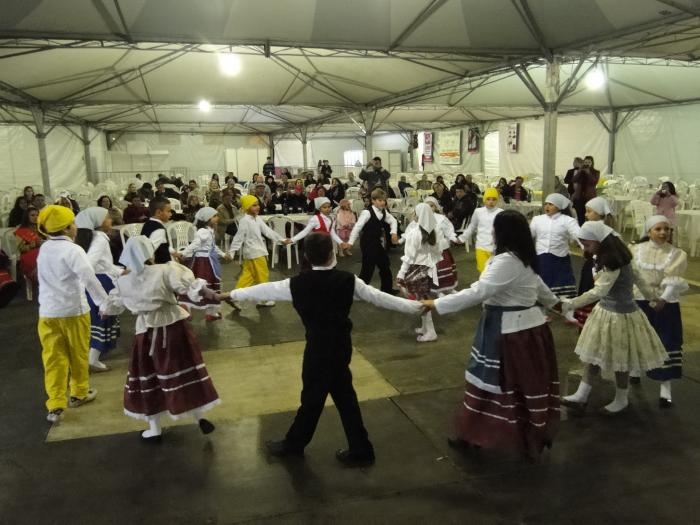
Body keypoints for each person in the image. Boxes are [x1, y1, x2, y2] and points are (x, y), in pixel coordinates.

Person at [218, 233, 422, 466]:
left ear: (306, 256)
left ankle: (299, 444)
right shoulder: (349, 280)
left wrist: (228, 294)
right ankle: (358, 448)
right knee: (343, 397)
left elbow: (261, 290)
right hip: (341, 346)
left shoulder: (295, 284)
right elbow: (381, 298)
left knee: (314, 398)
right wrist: (416, 307)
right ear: (332, 254)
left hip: (317, 348)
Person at [421, 210, 561, 456]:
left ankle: (477, 434)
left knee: (493, 383)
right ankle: (526, 436)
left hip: (508, 333)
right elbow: (543, 291)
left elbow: (479, 291)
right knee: (520, 385)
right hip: (526, 332)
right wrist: (564, 307)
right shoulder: (523, 259)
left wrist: (437, 304)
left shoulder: (507, 261)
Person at [99, 236, 220, 442]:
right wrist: (210, 292)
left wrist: (104, 310)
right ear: (149, 253)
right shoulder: (166, 270)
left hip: (145, 333)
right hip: (174, 327)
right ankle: (199, 417)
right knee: (184, 371)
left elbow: (112, 306)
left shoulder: (124, 281)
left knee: (149, 376)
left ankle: (154, 429)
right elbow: (190, 288)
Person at [561, 221, 667, 415]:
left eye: (587, 243)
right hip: (605, 314)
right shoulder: (615, 256)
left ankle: (621, 398)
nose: (585, 248)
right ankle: (582, 394)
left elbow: (599, 291)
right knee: (592, 356)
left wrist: (571, 303)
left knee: (621, 359)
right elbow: (639, 279)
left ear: (599, 241)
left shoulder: (613, 262)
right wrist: (653, 298)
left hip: (621, 317)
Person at [36, 205, 108, 423]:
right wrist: (103, 302)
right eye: (73, 223)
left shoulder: (45, 248)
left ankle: (55, 404)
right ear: (67, 228)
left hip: (48, 313)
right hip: (74, 312)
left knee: (53, 359)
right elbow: (88, 278)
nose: (76, 227)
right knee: (77, 354)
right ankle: (78, 393)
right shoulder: (74, 250)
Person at [631, 216, 688, 407]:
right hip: (640, 299)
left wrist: (663, 298)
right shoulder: (635, 250)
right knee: (639, 337)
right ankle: (635, 370)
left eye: (667, 229)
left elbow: (673, 278)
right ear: (649, 231)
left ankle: (665, 389)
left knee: (666, 342)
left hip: (666, 303)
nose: (663, 232)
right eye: (658, 229)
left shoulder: (677, 254)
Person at [75, 207, 124, 373]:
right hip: (101, 283)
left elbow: (104, 264)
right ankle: (92, 360)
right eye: (108, 218)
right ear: (98, 222)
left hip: (98, 280)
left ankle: (92, 357)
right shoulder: (100, 239)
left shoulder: (89, 238)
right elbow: (90, 264)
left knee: (99, 319)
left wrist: (119, 271)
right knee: (102, 319)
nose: (111, 221)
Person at [227, 195, 289, 308]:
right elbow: (238, 237)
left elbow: (268, 231)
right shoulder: (245, 221)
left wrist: (282, 240)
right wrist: (232, 252)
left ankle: (234, 297)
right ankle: (263, 300)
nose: (258, 207)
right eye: (254, 205)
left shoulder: (257, 218)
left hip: (252, 254)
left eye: (258, 205)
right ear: (247, 207)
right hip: (256, 253)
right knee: (262, 276)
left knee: (247, 277)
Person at [396, 204, 444, 342]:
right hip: (429, 269)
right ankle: (425, 327)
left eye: (414, 213)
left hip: (416, 269)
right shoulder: (435, 232)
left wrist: (401, 274)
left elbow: (408, 257)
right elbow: (438, 252)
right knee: (424, 298)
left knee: (422, 301)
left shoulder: (414, 233)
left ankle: (431, 331)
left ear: (418, 216)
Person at [342, 188, 399, 295]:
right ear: (373, 200)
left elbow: (393, 221)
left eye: (384, 200)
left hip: (376, 242)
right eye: (380, 200)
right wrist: (350, 242)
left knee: (385, 264)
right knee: (368, 269)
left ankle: (386, 289)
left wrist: (394, 233)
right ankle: (356, 291)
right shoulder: (367, 213)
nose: (383, 202)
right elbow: (357, 227)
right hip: (367, 243)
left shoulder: (384, 212)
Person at [180, 207, 230, 321]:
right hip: (203, 262)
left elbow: (213, 247)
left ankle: (211, 312)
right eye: (215, 216)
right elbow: (195, 244)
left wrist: (222, 254)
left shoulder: (209, 230)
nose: (217, 217)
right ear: (207, 219)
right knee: (202, 284)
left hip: (209, 260)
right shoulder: (203, 231)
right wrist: (183, 253)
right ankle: (186, 308)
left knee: (210, 284)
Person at [571, 197, 615, 327]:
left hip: (596, 266)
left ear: (599, 213)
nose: (585, 214)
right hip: (595, 265)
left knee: (592, 293)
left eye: (589, 211)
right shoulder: (606, 227)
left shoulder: (595, 228)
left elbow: (588, 249)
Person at [529, 194, 580, 298]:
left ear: (559, 206)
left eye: (551, 204)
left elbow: (579, 236)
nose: (547, 207)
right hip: (541, 259)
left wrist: (590, 250)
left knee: (561, 292)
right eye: (546, 204)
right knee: (540, 288)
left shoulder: (568, 220)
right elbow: (527, 236)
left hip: (560, 260)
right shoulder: (537, 219)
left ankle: (561, 310)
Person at [458, 188, 502, 273]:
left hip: (496, 248)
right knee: (483, 272)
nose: (491, 202)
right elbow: (472, 226)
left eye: (494, 199)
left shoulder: (500, 212)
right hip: (481, 246)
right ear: (484, 199)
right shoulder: (478, 211)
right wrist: (463, 237)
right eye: (488, 199)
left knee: (495, 272)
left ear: (497, 200)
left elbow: (505, 231)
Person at [423, 197, 460, 296]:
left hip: (442, 249)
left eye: (432, 206)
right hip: (430, 250)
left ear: (435, 207)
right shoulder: (421, 220)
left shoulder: (441, 218)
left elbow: (448, 231)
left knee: (446, 269)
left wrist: (454, 238)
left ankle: (449, 288)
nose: (430, 208)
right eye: (427, 206)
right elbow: (413, 231)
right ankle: (439, 290)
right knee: (436, 271)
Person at [141, 197, 181, 264]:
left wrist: (174, 252)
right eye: (168, 211)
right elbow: (148, 251)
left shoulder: (147, 223)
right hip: (162, 266)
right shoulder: (159, 230)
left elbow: (162, 244)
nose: (171, 214)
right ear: (159, 212)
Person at [14, 206, 43, 284]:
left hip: (43, 252)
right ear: (27, 217)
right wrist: (30, 246)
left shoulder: (42, 228)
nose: (35, 217)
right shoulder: (22, 230)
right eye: (32, 215)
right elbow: (20, 248)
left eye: (37, 215)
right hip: (29, 256)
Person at [572, 159, 599, 226]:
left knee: (590, 215)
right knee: (580, 215)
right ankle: (581, 230)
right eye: (585, 162)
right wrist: (580, 171)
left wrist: (588, 173)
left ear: (592, 163)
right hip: (579, 196)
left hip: (590, 197)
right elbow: (574, 180)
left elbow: (594, 182)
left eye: (589, 162)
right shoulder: (580, 171)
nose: (587, 164)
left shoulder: (596, 172)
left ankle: (589, 229)